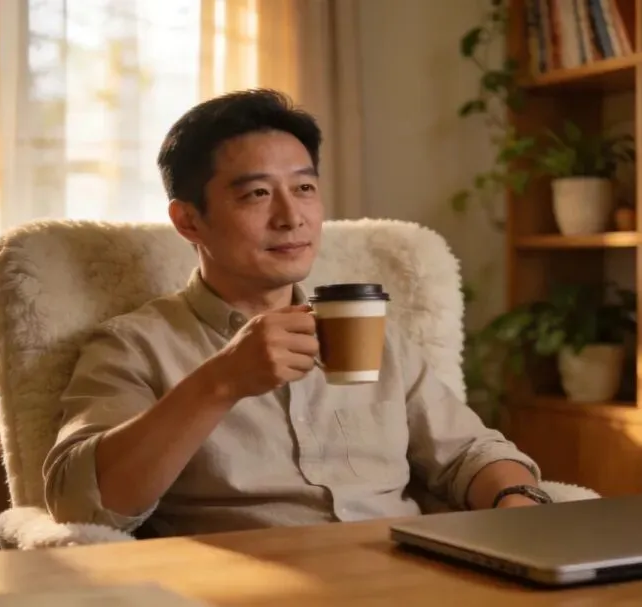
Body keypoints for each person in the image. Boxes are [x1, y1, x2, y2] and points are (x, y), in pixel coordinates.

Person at [42, 88, 546, 538]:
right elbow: (80, 505)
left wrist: (518, 506)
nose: (291, 217)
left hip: (404, 576)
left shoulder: (370, 333)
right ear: (189, 221)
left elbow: (469, 453)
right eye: (257, 194)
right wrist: (220, 382)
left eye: (304, 189)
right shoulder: (134, 345)